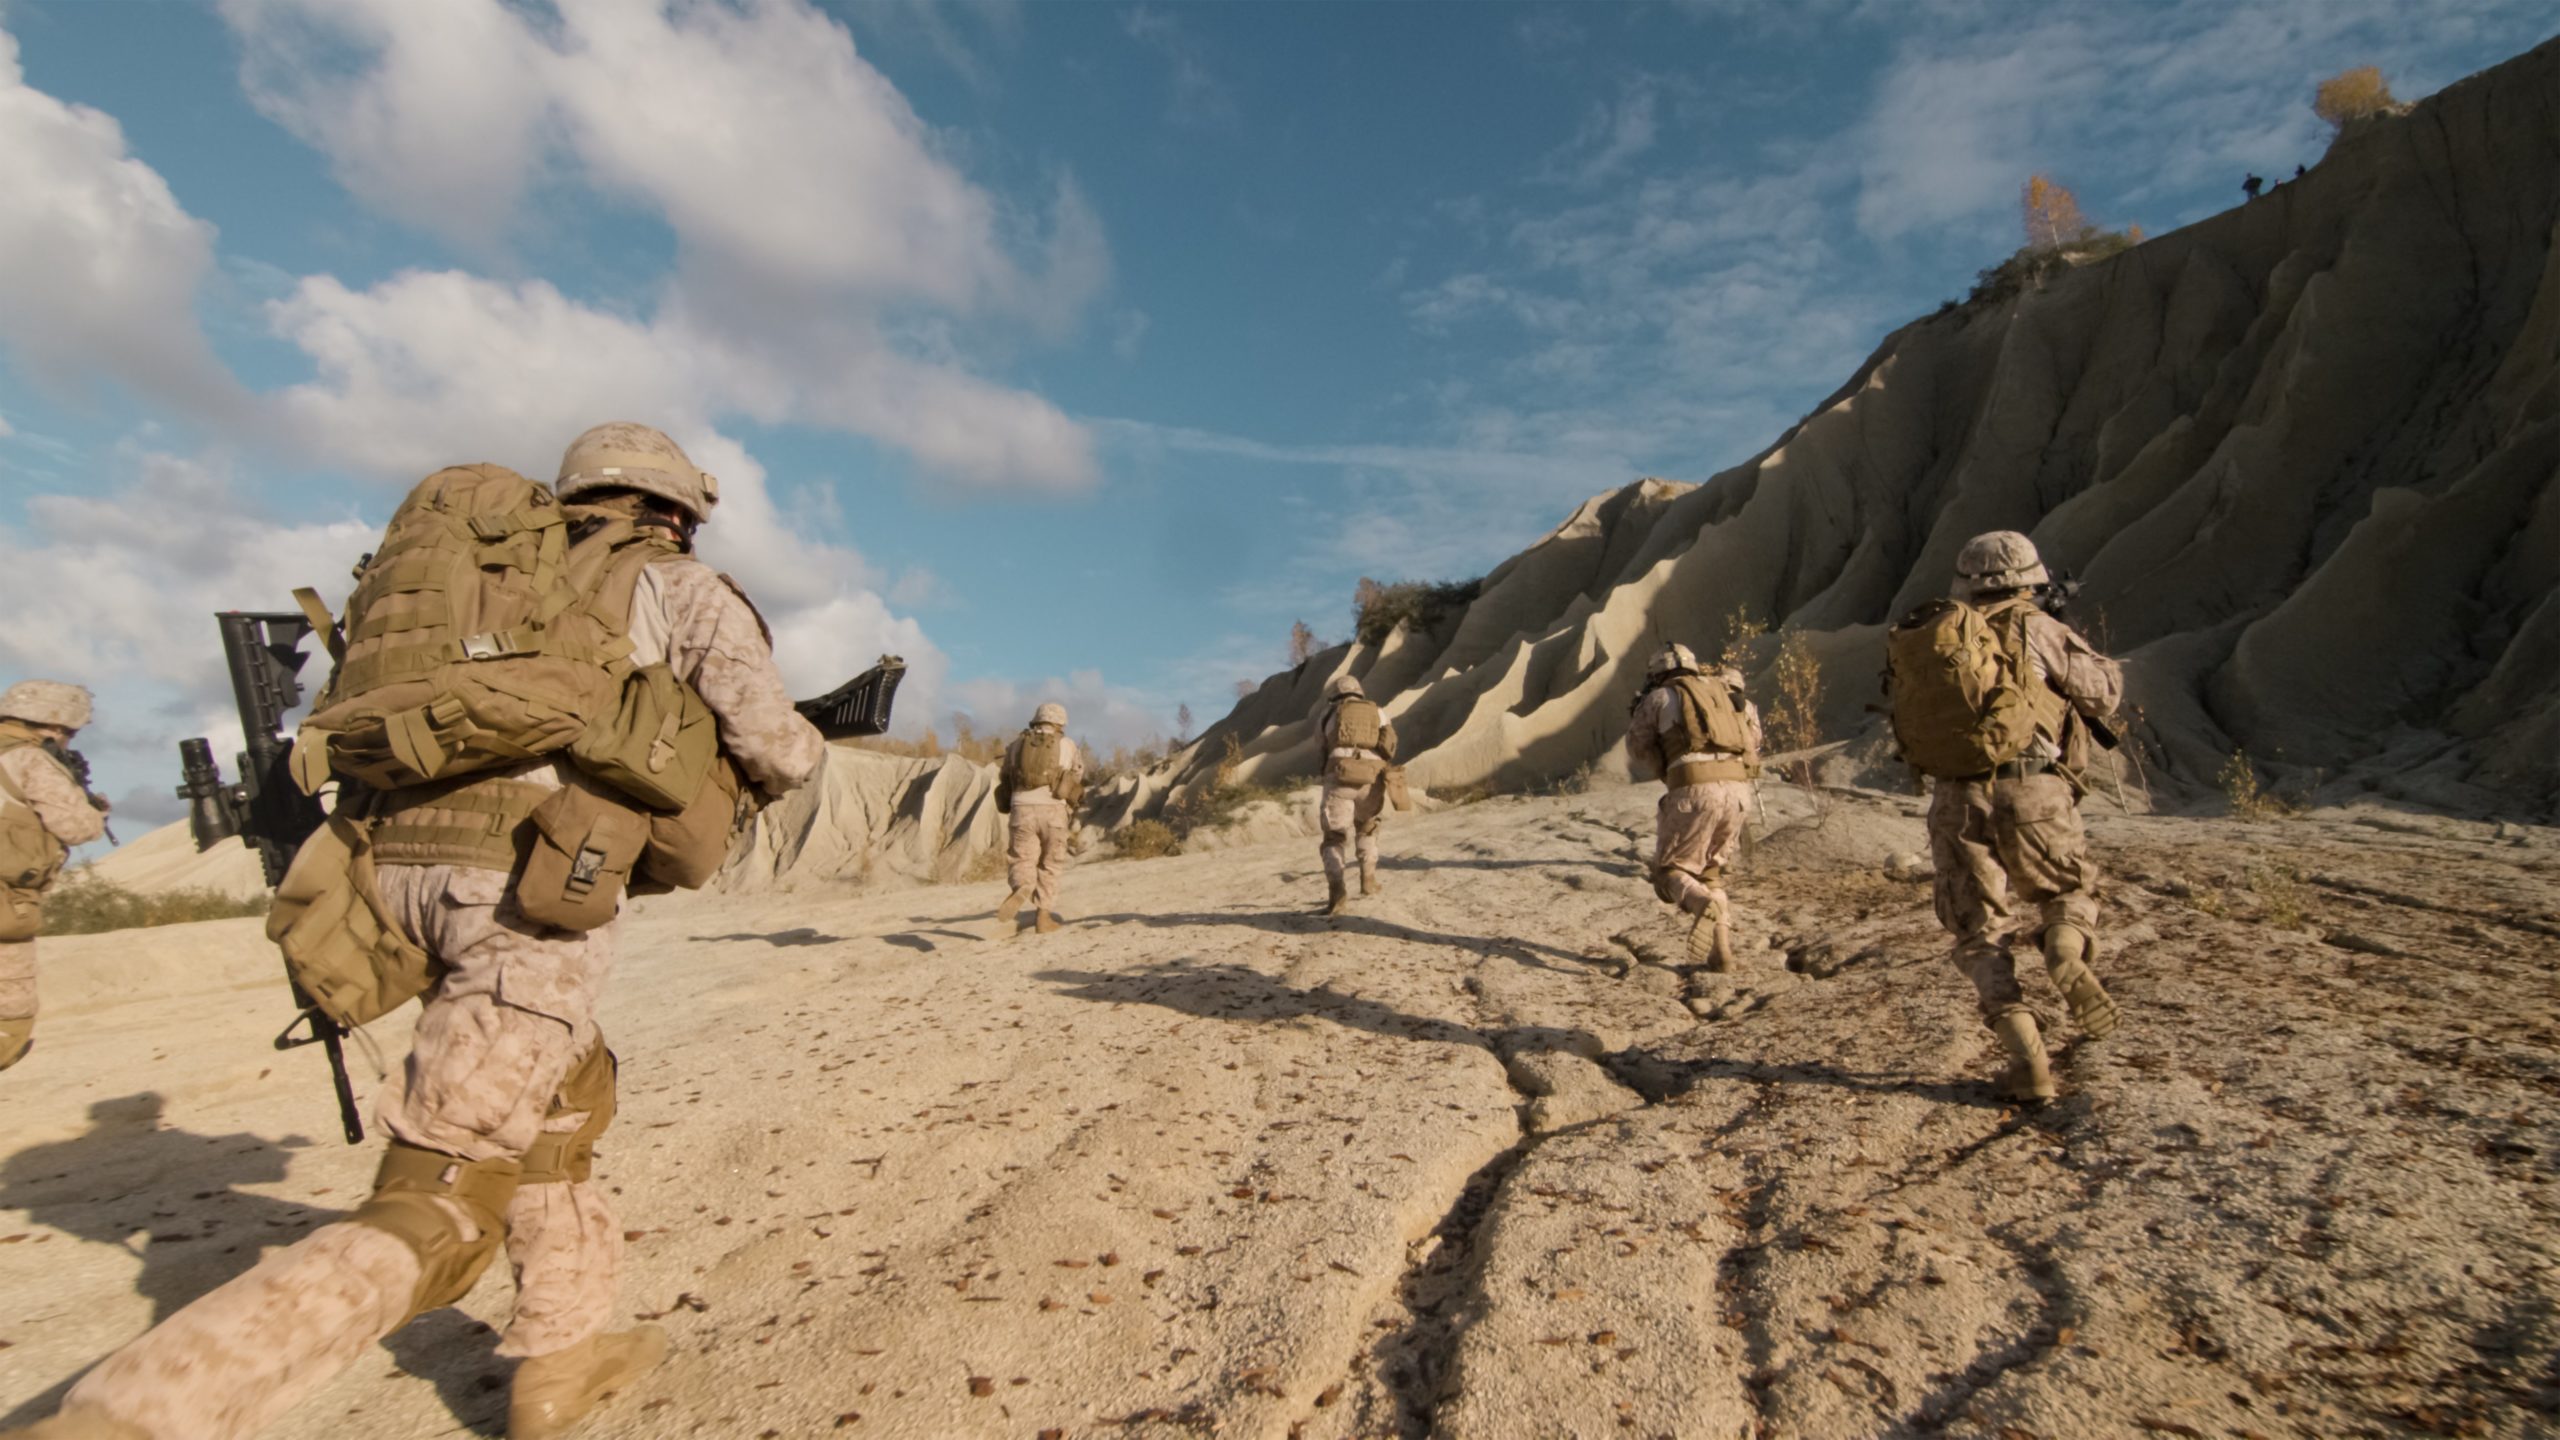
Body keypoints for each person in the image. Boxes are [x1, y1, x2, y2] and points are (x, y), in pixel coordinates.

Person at [16, 424, 825, 1440]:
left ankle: (560, 1354)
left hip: (384, 871)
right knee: (444, 1197)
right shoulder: (667, 580)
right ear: (674, 510)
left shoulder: (465, 579)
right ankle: (133, 1415)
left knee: (562, 1105)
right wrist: (789, 753)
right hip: (527, 890)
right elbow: (770, 740)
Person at [1902, 531, 2125, 1103]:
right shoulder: (2036, 626)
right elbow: (2103, 694)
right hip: (2034, 790)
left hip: (1955, 798)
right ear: (2030, 579)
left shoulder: (1933, 635)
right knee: (2065, 892)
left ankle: (2027, 1059)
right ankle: (2064, 951)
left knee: (1979, 932)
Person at [1623, 645, 1762, 970]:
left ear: (1659, 674)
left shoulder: (1660, 698)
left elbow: (1637, 748)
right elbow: (1753, 740)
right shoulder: (1730, 694)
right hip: (1739, 794)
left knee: (1670, 871)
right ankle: (1721, 952)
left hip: (1694, 791)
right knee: (1711, 871)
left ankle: (1700, 905)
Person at [0, 680, 110, 1070]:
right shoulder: (30, 760)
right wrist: (95, 809)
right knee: (9, 1025)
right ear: (53, 726)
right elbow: (78, 828)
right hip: (7, 907)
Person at [995, 702, 1084, 935]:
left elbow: (1004, 776)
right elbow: (1077, 774)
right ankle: (1043, 918)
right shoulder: (1067, 744)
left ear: (1036, 720)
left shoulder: (1015, 746)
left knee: (1021, 857)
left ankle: (1021, 886)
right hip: (1053, 809)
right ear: (1060, 723)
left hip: (1021, 808)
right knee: (1051, 864)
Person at [1314, 674, 1396, 916]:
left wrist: (1325, 773)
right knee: (1367, 826)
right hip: (1371, 778)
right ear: (1359, 693)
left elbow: (1320, 748)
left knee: (1334, 837)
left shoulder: (1327, 715)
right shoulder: (1378, 711)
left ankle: (1337, 894)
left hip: (1339, 777)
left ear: (1335, 694)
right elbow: (1390, 743)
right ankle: (1368, 881)